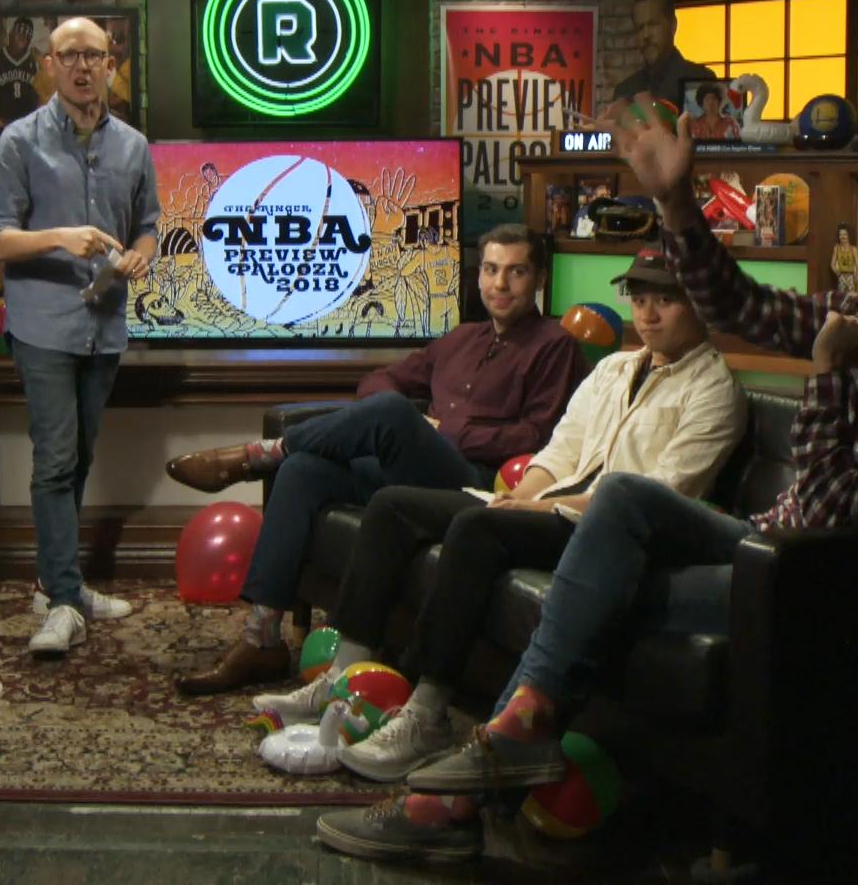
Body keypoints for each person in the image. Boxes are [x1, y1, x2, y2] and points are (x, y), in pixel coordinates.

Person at [316, 97, 858, 864]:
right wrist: (675, 200)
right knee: (624, 499)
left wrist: (828, 378)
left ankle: (460, 796)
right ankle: (513, 740)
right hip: (764, 545)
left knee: (592, 592)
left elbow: (830, 515)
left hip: (838, 587)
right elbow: (734, 304)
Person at [256, 248, 746, 782]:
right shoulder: (613, 368)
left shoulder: (714, 389)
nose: (647, 314)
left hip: (600, 532)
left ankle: (426, 713)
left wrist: (535, 507)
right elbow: (559, 449)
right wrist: (521, 495)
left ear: (700, 304)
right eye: (640, 299)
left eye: (665, 301)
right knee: (394, 505)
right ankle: (343, 674)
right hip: (544, 502)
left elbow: (663, 494)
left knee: (476, 528)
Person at [166, 225, 586, 694]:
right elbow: (379, 380)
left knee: (391, 415)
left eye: (516, 272)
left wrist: (442, 431)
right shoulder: (461, 338)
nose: (500, 284)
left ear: (539, 279)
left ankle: (259, 454)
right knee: (304, 470)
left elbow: (537, 434)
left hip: (480, 485)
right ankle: (261, 639)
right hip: (414, 471)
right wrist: (415, 426)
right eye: (490, 270)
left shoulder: (555, 346)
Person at [0, 17, 161, 656]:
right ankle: (62, 601)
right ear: (49, 65)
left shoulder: (133, 146)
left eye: (93, 55)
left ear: (111, 65)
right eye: (69, 55)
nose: (83, 66)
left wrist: (140, 254)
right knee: (56, 459)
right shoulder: (19, 141)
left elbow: (148, 226)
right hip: (43, 325)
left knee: (79, 458)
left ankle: (59, 583)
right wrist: (61, 236)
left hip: (104, 325)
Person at [607, 0, 717, 114]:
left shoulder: (700, 80)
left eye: (653, 24)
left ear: (673, 25)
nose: (646, 35)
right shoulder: (625, 91)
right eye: (640, 28)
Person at [0, 16, 43, 131]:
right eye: (20, 31)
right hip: (1, 126)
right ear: (11, 34)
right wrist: (2, 127)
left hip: (28, 128)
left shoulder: (35, 61)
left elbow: (42, 99)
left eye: (28, 34)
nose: (23, 36)